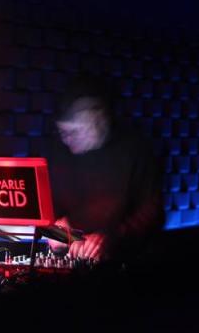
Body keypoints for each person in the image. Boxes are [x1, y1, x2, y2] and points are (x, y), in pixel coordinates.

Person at [46, 75, 165, 264]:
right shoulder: (58, 155)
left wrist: (112, 238)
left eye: (73, 132)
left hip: (127, 264)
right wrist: (58, 235)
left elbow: (153, 215)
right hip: (73, 263)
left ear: (98, 118)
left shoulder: (136, 149)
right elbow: (48, 223)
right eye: (62, 132)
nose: (66, 139)